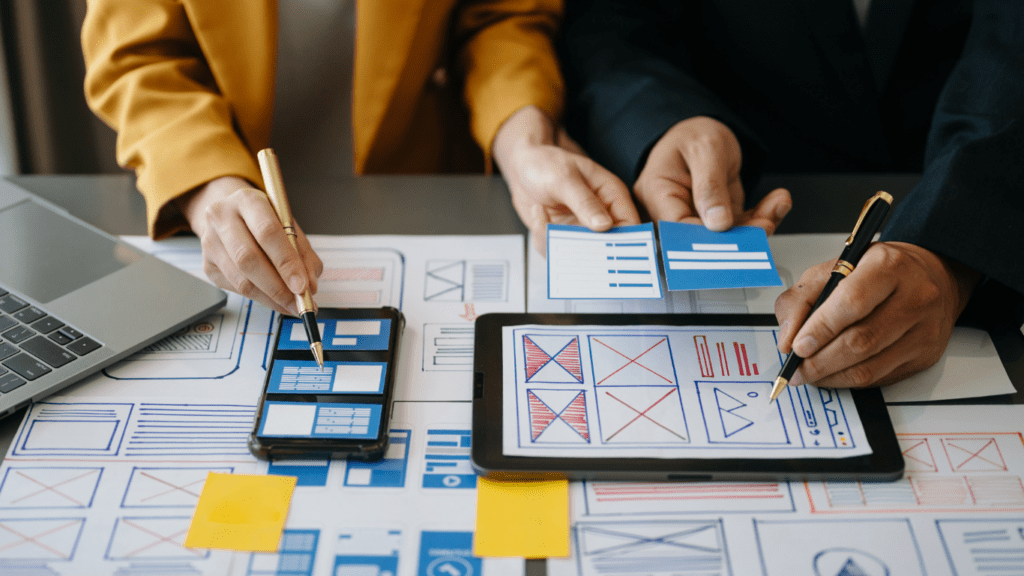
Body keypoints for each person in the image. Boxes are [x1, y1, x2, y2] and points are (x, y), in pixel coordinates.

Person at [557, 0, 1024, 389]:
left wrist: (950, 247)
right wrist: (663, 124)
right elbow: (608, 24)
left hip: (978, 203)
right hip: (751, 177)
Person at [81, 0, 639, 317]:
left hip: (416, 191)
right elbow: (138, 58)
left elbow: (497, 18)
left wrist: (524, 144)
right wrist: (209, 188)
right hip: (220, 187)